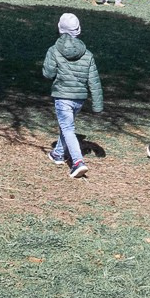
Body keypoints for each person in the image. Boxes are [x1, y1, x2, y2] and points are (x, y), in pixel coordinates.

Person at [41, 11, 103, 179]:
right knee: (65, 125)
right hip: (79, 99)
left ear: (60, 29)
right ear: (78, 30)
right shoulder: (88, 54)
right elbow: (94, 80)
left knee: (68, 128)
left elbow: (48, 73)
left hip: (62, 97)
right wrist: (98, 104)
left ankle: (78, 162)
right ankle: (58, 154)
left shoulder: (54, 50)